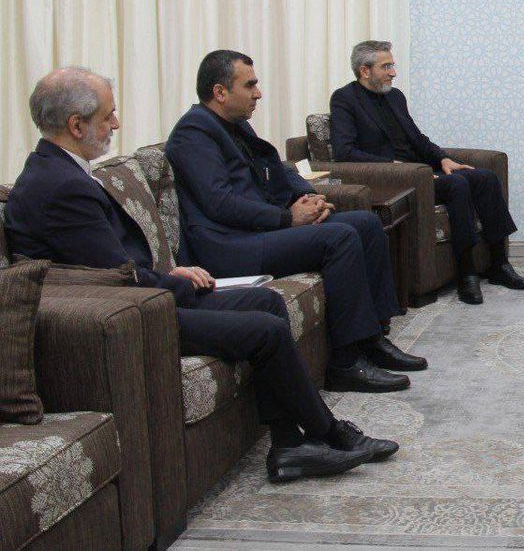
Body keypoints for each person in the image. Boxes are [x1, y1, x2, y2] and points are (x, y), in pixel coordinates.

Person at [5, 67, 399, 483]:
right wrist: (174, 282)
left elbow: (107, 263)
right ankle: (327, 432)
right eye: (108, 116)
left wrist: (168, 271)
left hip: (138, 296)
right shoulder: (60, 186)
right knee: (264, 330)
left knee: (267, 300)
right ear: (76, 125)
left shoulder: (60, 171)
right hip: (132, 314)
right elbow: (116, 277)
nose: (116, 124)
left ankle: (289, 445)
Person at [165, 50, 427, 394]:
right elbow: (220, 203)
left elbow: (277, 168)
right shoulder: (193, 134)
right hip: (229, 246)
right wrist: (287, 218)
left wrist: (308, 195)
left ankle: (373, 339)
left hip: (256, 233)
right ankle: (345, 363)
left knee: (366, 223)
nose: (259, 93)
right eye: (250, 85)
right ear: (220, 92)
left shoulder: (235, 125)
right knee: (339, 238)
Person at [330, 40, 524, 305]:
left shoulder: (395, 96)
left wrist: (443, 158)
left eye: (392, 65)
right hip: (398, 179)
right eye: (386, 66)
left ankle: (499, 264)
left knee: (485, 178)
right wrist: (393, 165)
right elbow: (344, 151)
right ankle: (467, 272)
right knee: (457, 185)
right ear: (364, 71)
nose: (393, 72)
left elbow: (417, 138)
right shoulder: (344, 99)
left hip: (423, 170)